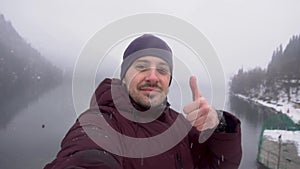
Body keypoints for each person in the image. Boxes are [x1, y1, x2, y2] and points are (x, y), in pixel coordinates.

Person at [44, 34, 242, 169]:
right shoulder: (100, 121)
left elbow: (218, 165)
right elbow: (84, 157)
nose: (153, 77)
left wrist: (220, 125)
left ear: (169, 80)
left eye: (162, 70)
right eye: (141, 67)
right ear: (123, 77)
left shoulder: (180, 124)